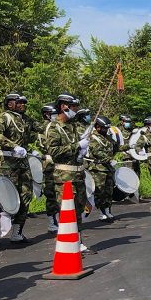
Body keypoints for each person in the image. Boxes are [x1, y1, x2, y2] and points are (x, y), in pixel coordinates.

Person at [46, 93, 94, 254]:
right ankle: (67, 244)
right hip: (64, 177)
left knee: (79, 210)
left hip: (78, 175)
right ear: (63, 106)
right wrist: (77, 146)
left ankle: (78, 241)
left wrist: (82, 151)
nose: (76, 109)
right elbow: (54, 152)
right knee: (68, 211)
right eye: (73, 107)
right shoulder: (54, 127)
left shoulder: (73, 126)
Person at [0, 93, 35, 243]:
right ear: (10, 104)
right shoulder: (3, 117)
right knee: (3, 199)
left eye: (24, 102)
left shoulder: (26, 119)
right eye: (20, 102)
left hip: (22, 163)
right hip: (7, 163)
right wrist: (13, 145)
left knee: (25, 196)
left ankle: (17, 232)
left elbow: (41, 130)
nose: (23, 105)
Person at [87, 116, 128, 222]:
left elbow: (116, 147)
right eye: (104, 128)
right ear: (97, 127)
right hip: (98, 169)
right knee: (100, 192)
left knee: (109, 191)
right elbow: (97, 152)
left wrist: (129, 146)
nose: (106, 130)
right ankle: (102, 212)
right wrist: (109, 159)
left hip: (108, 168)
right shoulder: (93, 138)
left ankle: (108, 210)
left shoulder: (108, 137)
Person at [37, 104, 60, 232]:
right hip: (49, 165)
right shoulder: (43, 129)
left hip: (59, 164)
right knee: (51, 193)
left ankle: (59, 218)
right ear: (46, 114)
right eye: (53, 114)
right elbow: (42, 145)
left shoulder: (57, 127)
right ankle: (52, 220)